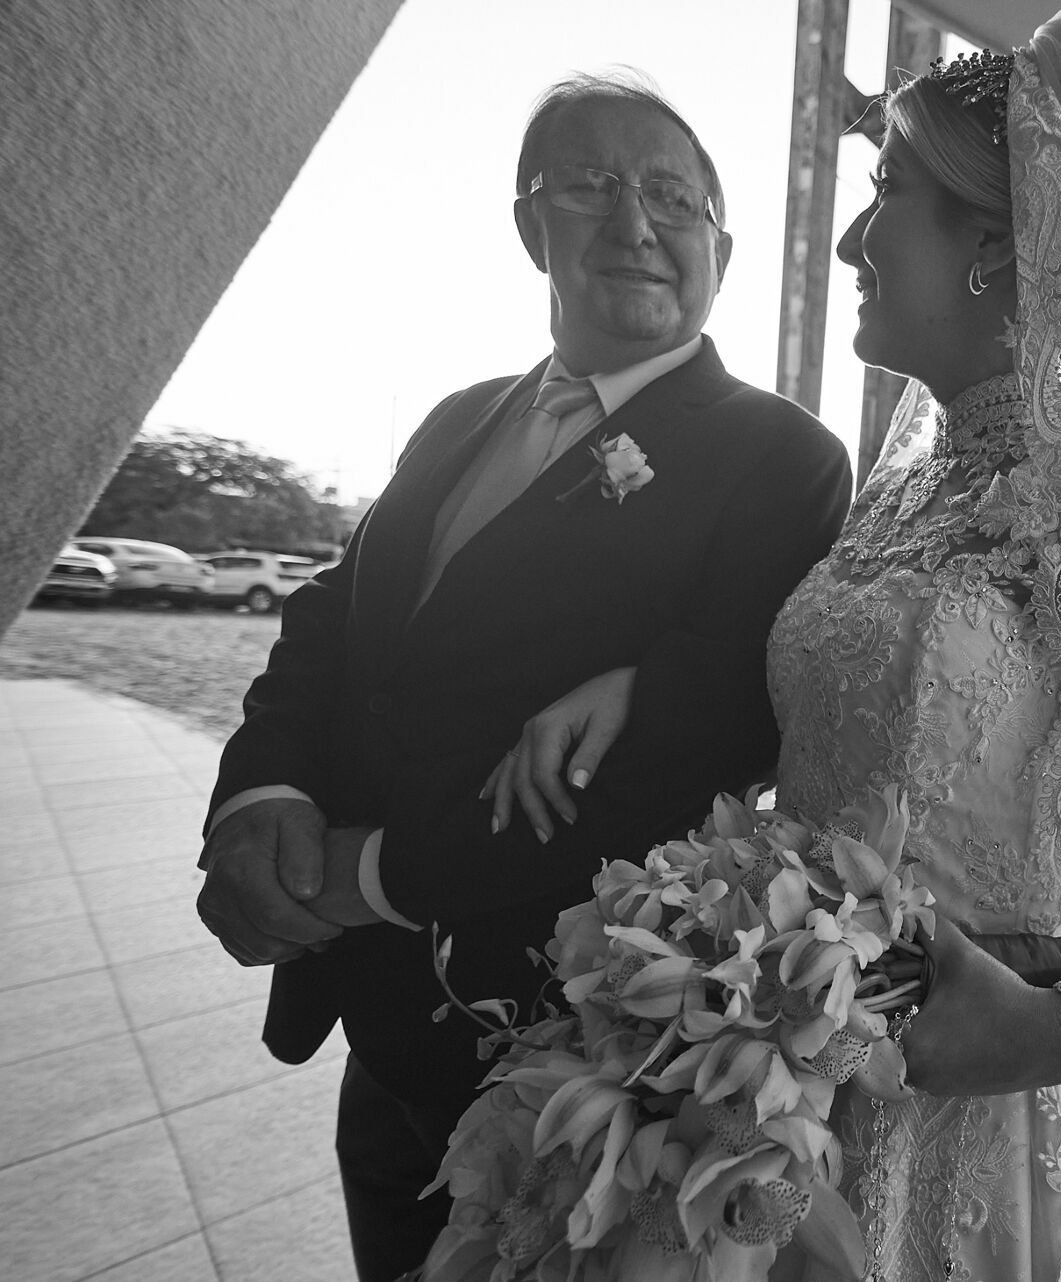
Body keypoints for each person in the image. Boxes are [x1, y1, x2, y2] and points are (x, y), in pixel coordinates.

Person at [486, 4, 1061, 1277]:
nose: (857, 233)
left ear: (996, 240)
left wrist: (1049, 1028)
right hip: (768, 1078)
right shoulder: (905, 483)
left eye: (887, 191)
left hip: (962, 1126)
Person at [193, 73, 852, 1282]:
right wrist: (260, 797)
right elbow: (336, 622)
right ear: (527, 223)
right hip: (367, 1018)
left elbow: (680, 752)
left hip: (544, 1043)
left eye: (673, 197)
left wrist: (366, 872)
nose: (636, 223)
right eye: (591, 186)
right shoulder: (453, 418)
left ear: (725, 245)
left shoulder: (781, 459)